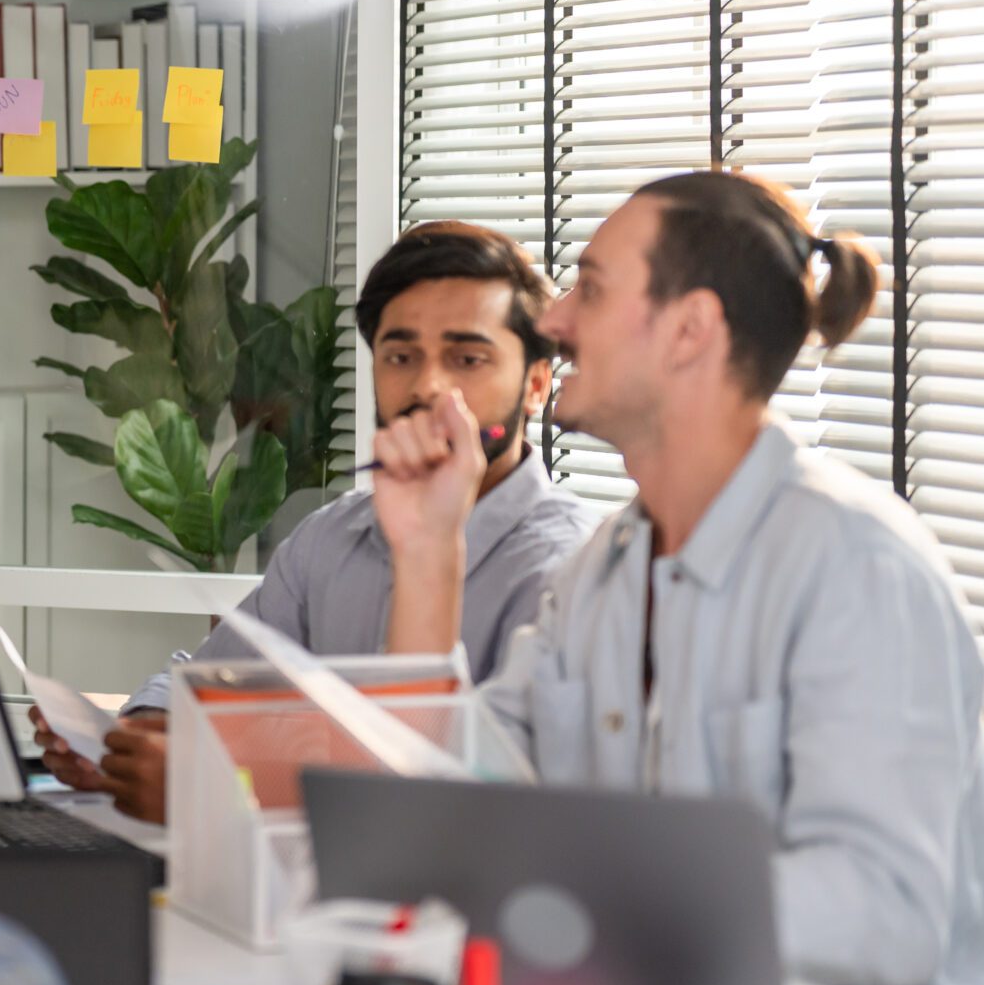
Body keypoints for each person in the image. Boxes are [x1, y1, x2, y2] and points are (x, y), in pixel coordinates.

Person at [374, 171, 984, 985]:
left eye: (592, 289)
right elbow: (442, 798)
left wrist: (586, 889)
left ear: (691, 330)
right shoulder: (601, 573)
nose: (553, 320)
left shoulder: (859, 567)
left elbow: (885, 911)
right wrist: (427, 551)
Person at [37, 222, 601, 820]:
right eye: (400, 356)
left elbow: (468, 796)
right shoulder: (335, 534)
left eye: (467, 358)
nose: (428, 386)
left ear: (536, 384)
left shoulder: (567, 566)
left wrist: (220, 786)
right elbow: (213, 682)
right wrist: (139, 741)